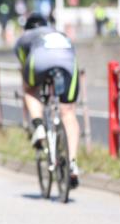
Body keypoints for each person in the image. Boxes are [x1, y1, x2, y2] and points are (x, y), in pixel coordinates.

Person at [15, 13, 81, 188]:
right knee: (68, 112)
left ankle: (38, 127)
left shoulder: (25, 37)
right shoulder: (59, 34)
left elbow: (24, 66)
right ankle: (72, 163)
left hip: (40, 60)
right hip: (67, 63)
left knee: (29, 90)